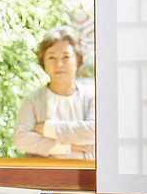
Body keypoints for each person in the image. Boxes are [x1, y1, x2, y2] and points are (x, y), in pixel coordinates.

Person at [13, 26, 95, 159]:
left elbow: (95, 131)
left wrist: (47, 128)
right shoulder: (32, 99)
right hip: (42, 177)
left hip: (86, 176)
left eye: (66, 57)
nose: (59, 64)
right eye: (52, 57)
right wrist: (66, 147)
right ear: (43, 62)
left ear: (78, 60)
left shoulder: (92, 96)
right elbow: (21, 139)